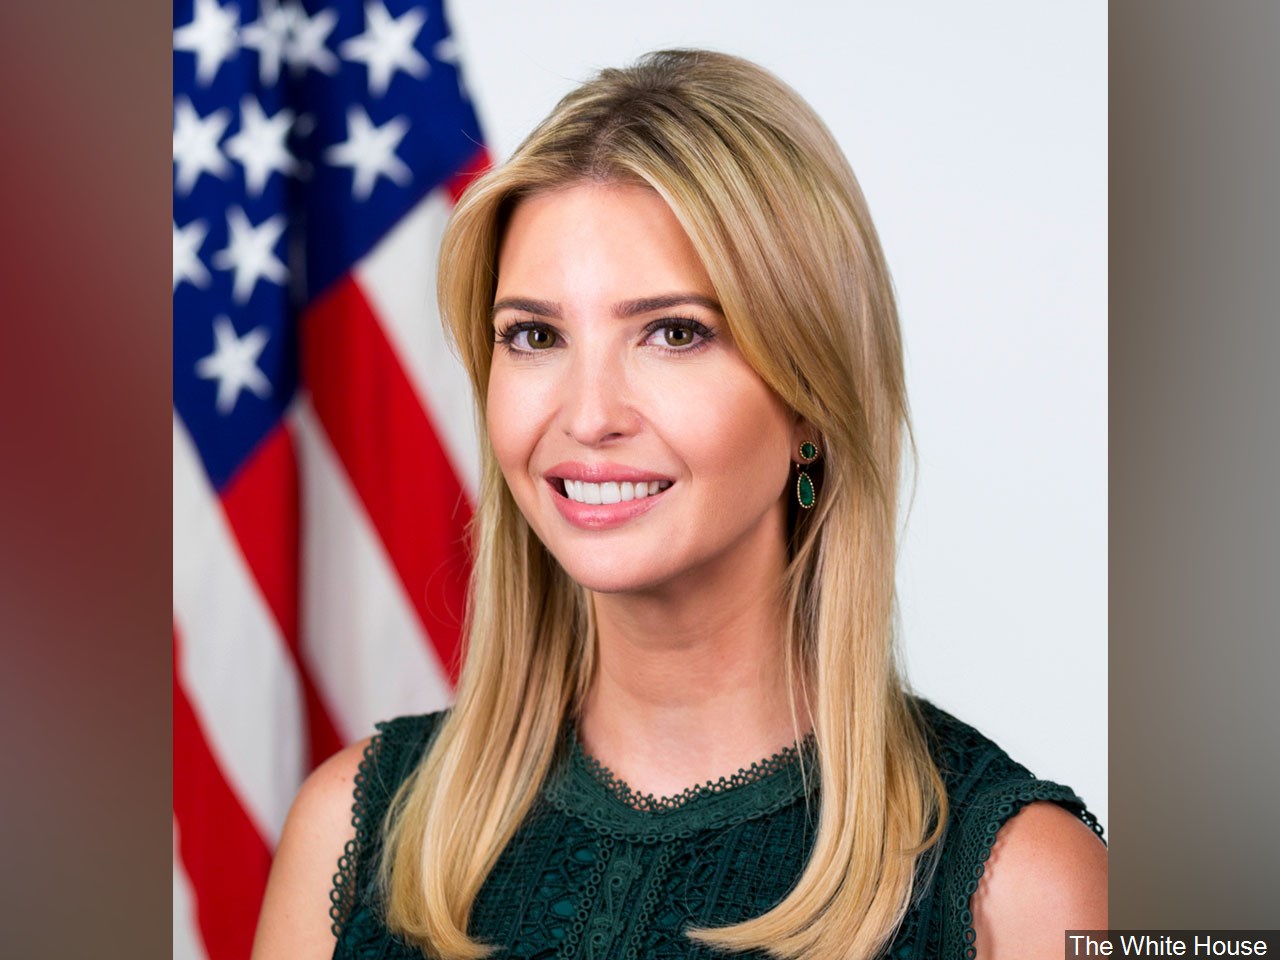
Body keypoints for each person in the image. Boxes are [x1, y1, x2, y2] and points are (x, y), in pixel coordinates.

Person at [251, 49, 1106, 960]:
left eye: (673, 333)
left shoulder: (1028, 886)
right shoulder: (353, 829)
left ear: (811, 397)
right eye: (534, 335)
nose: (586, 416)